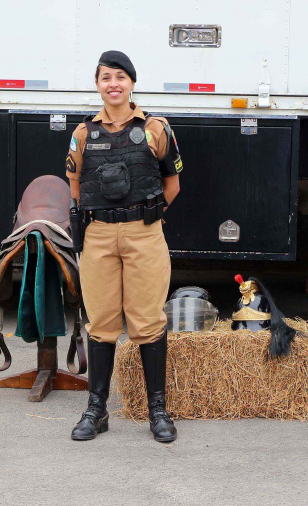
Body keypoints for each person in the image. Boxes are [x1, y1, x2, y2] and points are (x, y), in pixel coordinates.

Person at [65, 50, 183, 442]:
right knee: (100, 323)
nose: (112, 84)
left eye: (120, 76)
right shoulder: (83, 134)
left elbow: (173, 184)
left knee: (147, 321)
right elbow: (76, 185)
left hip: (143, 234)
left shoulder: (156, 129)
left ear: (132, 82)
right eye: (105, 77)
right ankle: (96, 411)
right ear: (97, 84)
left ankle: (158, 411)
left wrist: (149, 215)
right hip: (98, 234)